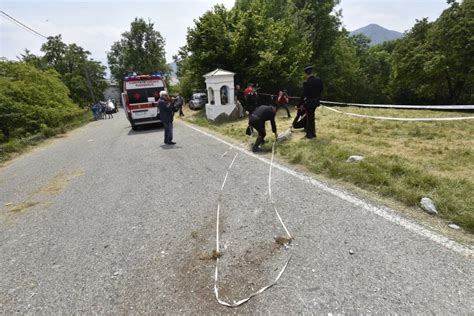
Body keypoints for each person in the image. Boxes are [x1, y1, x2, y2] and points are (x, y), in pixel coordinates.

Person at [299, 65, 323, 139]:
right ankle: (313, 133)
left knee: (310, 118)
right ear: (312, 72)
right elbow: (321, 89)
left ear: (306, 74)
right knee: (312, 117)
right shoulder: (319, 80)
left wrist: (299, 104)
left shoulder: (306, 83)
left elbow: (304, 94)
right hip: (316, 101)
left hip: (309, 103)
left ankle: (309, 134)